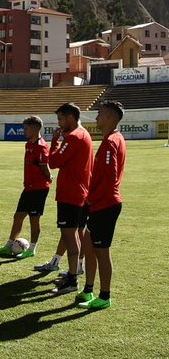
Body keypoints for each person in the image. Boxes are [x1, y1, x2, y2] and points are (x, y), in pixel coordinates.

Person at [77, 100, 127, 310]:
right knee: (89, 247)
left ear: (110, 117)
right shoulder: (112, 139)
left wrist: (90, 200)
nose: (96, 117)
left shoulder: (111, 143)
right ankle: (88, 289)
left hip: (104, 205)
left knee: (101, 251)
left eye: (100, 113)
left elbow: (108, 179)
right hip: (98, 203)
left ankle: (104, 296)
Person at [47, 102, 94, 296]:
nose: (59, 123)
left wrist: (54, 141)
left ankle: (72, 280)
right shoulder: (83, 134)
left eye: (60, 119)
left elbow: (54, 161)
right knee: (74, 234)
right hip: (80, 191)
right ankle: (73, 272)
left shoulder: (74, 137)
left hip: (71, 193)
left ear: (70, 118)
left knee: (70, 236)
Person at [0, 115, 51, 259]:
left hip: (39, 189)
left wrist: (49, 177)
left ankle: (32, 249)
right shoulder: (28, 144)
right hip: (28, 188)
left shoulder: (41, 146)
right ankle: (8, 246)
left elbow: (45, 167)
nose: (24, 131)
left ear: (35, 128)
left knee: (34, 219)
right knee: (18, 216)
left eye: (26, 128)